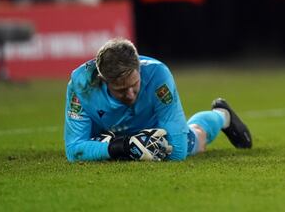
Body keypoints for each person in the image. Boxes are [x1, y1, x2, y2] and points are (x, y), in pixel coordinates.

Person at [64, 38, 252, 162]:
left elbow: (178, 152)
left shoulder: (157, 75)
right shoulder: (81, 85)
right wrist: (122, 148)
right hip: (107, 131)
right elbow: (74, 150)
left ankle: (222, 115)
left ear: (139, 69)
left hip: (152, 126)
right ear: (103, 80)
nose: (130, 94)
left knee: (194, 142)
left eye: (134, 85)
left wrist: (145, 149)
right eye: (121, 90)